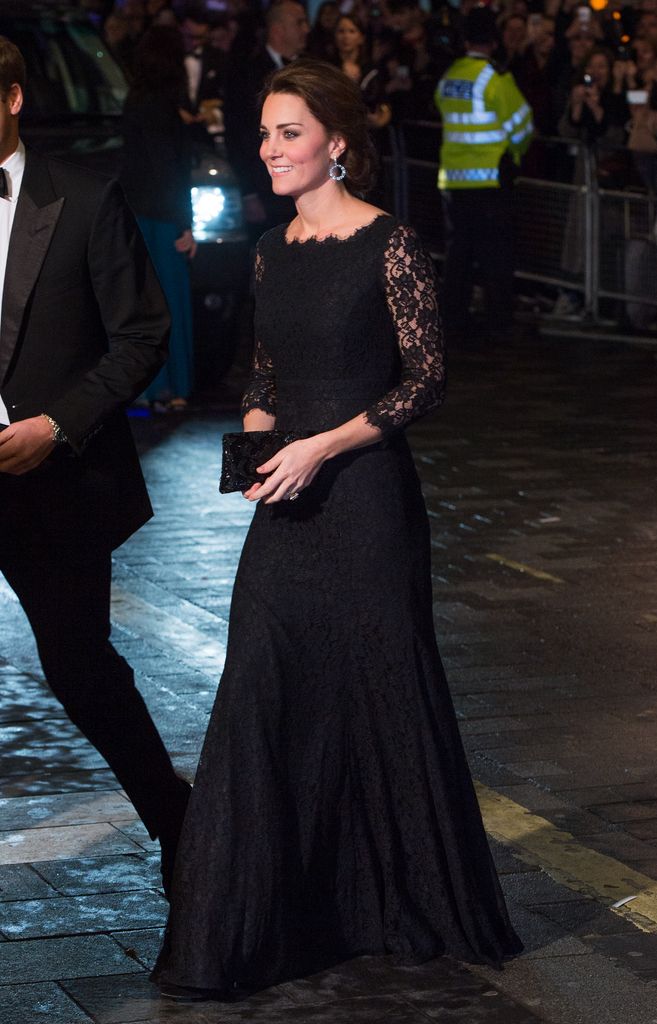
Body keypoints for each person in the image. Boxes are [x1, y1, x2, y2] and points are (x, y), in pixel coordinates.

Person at [152, 58, 522, 1004]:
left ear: (337, 144)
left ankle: (398, 904)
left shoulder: (389, 244)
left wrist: (322, 449)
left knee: (377, 686)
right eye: (265, 133)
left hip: (365, 503)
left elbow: (425, 378)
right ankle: (267, 921)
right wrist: (255, 462)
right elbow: (267, 373)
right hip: (290, 510)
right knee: (264, 685)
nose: (269, 149)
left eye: (288, 133)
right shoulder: (274, 247)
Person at [0, 37, 190, 893]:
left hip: (53, 479)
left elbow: (143, 334)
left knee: (81, 670)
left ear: (9, 99)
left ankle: (178, 824)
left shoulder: (81, 197)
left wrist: (57, 425)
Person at [434, 5, 532, 344]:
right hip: (490, 179)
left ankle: (454, 318)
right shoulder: (496, 77)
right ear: (493, 40)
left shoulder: (450, 77)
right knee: (495, 255)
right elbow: (522, 126)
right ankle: (498, 322)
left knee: (458, 254)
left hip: (454, 181)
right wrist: (516, 154)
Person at [120, 26, 196, 412]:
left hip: (139, 215)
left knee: (146, 304)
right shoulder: (163, 105)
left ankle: (153, 387)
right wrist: (186, 222)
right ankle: (173, 387)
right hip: (164, 218)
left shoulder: (135, 100)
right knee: (171, 305)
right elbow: (170, 168)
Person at [223, 0, 309, 235]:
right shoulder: (246, 73)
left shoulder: (308, 70)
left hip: (304, 188)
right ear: (278, 29)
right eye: (299, 23)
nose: (306, 29)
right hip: (266, 189)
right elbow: (237, 135)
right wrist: (249, 192)